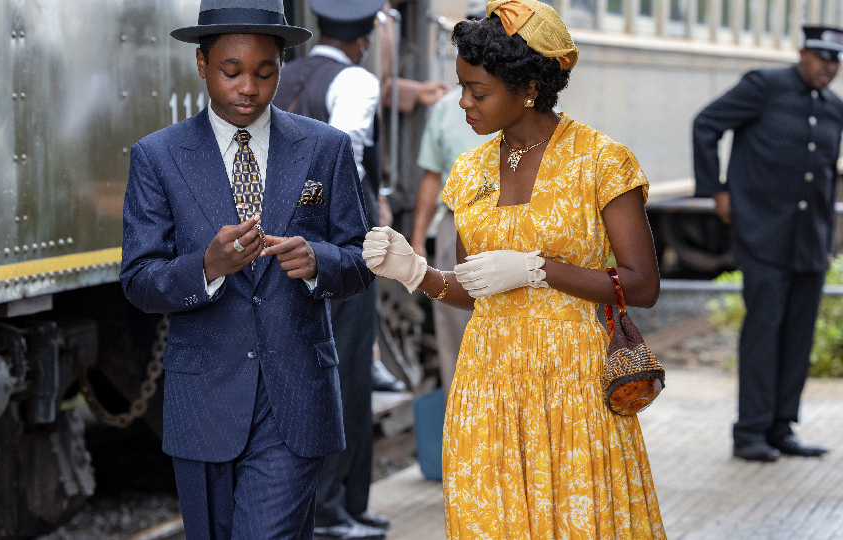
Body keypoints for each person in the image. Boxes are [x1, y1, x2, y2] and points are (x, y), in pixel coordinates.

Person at [361, 0, 666, 537]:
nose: (463, 104)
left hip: (573, 384)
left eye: (478, 92)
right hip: (488, 381)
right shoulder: (470, 170)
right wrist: (414, 273)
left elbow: (642, 286)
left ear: (528, 87)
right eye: (461, 87)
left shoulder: (601, 160)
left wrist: (537, 269)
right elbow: (474, 289)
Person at [118, 0, 373, 538]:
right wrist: (207, 267)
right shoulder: (157, 157)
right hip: (203, 404)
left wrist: (318, 262)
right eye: (231, 72)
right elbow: (139, 280)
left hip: (296, 402)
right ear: (202, 65)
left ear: (282, 65)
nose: (248, 90)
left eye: (265, 73)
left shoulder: (324, 148)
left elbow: (360, 259)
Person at [692, 25, 842, 462]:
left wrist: (828, 234)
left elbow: (827, 176)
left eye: (835, 60)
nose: (827, 67)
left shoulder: (834, 108)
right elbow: (706, 124)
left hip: (810, 239)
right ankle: (750, 432)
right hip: (763, 234)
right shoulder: (764, 87)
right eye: (820, 57)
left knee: (798, 335)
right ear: (802, 54)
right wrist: (715, 190)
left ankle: (781, 427)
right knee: (763, 331)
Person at [273, 1, 391, 538]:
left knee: (306, 373)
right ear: (364, 37)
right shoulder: (358, 81)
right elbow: (345, 157)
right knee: (345, 373)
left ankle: (347, 503)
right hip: (341, 248)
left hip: (279, 246)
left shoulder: (281, 74)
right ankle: (331, 510)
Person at [410, 5, 491, 396]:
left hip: (514, 229)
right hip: (455, 226)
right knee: (455, 334)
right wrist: (417, 239)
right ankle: (462, 430)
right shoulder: (446, 108)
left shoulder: (532, 109)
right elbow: (431, 177)